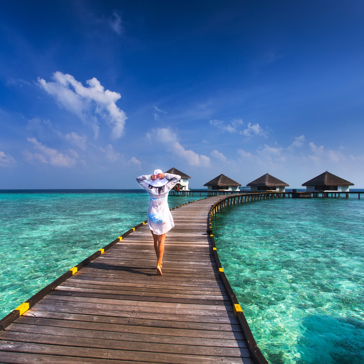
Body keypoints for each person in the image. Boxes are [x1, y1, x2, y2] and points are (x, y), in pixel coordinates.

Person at [136, 169, 181, 275]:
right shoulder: (166, 187)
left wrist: (149, 177)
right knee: (162, 240)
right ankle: (159, 263)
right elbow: (177, 177)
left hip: (152, 214)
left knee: (155, 240)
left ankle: (159, 262)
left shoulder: (150, 188)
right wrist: (165, 175)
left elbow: (138, 179)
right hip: (163, 215)